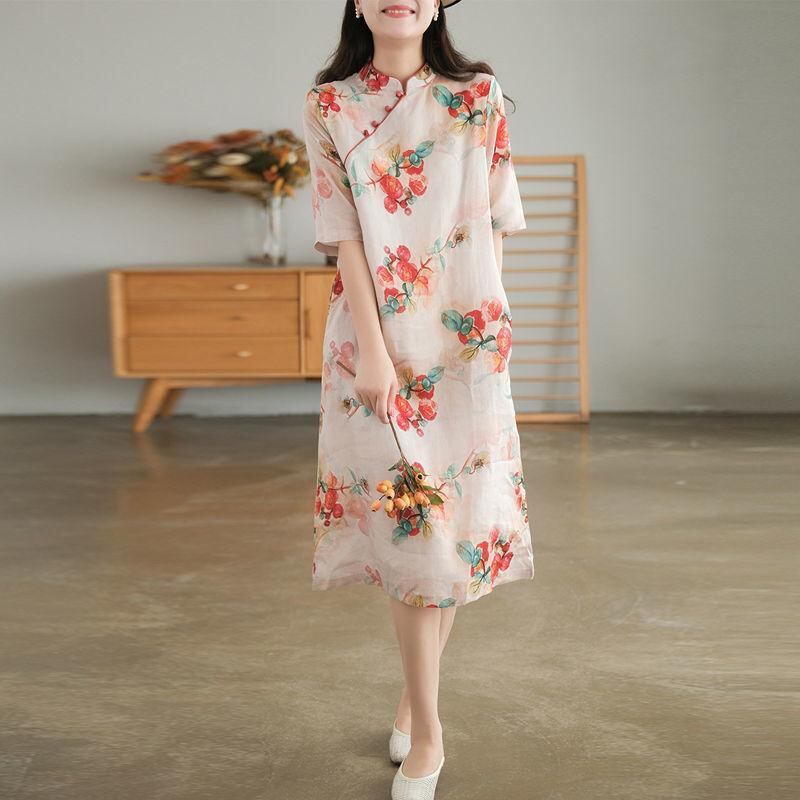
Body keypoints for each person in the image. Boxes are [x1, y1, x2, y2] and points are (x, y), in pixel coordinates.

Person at [302, 2, 534, 797]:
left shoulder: (477, 96)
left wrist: (494, 316)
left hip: (466, 336)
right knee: (411, 529)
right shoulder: (331, 104)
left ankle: (414, 701)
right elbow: (344, 234)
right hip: (376, 343)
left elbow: (496, 214)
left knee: (451, 526)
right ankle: (430, 736)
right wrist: (373, 350)